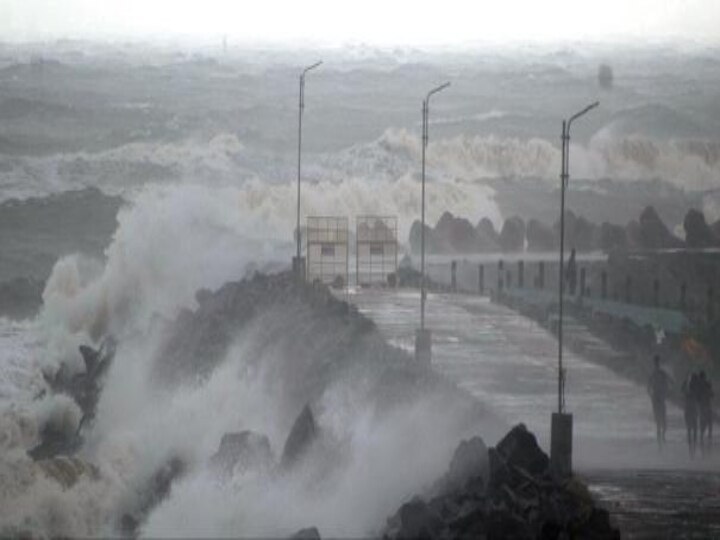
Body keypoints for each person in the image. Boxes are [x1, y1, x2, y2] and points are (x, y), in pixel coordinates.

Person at [647, 355, 670, 447]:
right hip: (658, 398)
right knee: (660, 419)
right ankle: (661, 436)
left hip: (658, 398)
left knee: (660, 419)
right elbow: (648, 387)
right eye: (656, 362)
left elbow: (648, 387)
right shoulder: (657, 373)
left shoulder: (659, 373)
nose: (656, 364)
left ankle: (661, 436)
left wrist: (651, 394)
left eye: (657, 362)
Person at [682, 371, 699, 457]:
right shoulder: (694, 390)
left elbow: (682, 391)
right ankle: (692, 449)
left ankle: (691, 450)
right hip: (691, 411)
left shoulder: (687, 389)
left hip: (689, 411)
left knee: (690, 430)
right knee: (694, 430)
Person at [697, 370, 714, 454]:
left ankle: (704, 440)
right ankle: (706, 440)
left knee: (706, 424)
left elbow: (711, 394)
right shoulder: (705, 385)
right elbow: (712, 394)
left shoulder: (701, 385)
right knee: (707, 424)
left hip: (704, 407)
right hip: (705, 407)